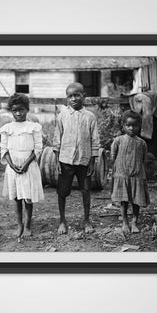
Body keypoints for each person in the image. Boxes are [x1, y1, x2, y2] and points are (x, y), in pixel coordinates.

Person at [53, 82, 100, 235]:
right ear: (67, 98)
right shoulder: (62, 115)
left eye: (77, 95)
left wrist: (92, 162)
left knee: (86, 190)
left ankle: (86, 221)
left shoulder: (90, 117)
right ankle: (62, 221)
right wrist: (56, 161)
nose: (73, 99)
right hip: (65, 161)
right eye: (70, 96)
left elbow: (95, 141)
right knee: (62, 192)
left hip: (84, 160)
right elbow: (57, 139)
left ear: (83, 96)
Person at [0, 93, 44, 240]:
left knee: (27, 198)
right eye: (15, 110)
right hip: (13, 168)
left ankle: (28, 225)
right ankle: (19, 224)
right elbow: (4, 149)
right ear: (11, 111)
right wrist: (11, 165)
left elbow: (38, 148)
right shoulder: (7, 128)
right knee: (17, 197)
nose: (18, 113)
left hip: (28, 166)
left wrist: (26, 164)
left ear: (27, 109)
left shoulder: (34, 127)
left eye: (21, 110)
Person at [110, 110, 150, 234]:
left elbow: (143, 159)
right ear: (123, 126)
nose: (131, 128)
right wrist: (115, 172)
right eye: (128, 125)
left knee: (136, 200)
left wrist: (139, 172)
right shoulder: (118, 140)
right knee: (124, 200)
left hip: (137, 175)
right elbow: (113, 157)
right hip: (122, 175)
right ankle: (125, 222)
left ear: (139, 126)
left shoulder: (142, 143)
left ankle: (134, 222)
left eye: (135, 125)